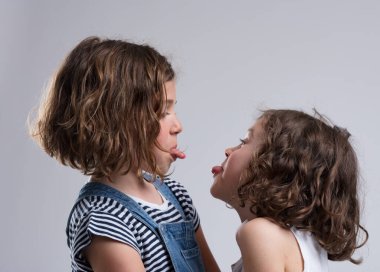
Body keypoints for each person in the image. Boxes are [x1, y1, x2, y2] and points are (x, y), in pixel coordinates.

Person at [31, 36, 219, 272]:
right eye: (162, 112)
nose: (178, 125)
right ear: (117, 121)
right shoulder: (105, 220)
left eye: (173, 108)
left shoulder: (176, 196)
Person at [211, 109, 368, 272]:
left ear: (275, 168)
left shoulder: (260, 233)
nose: (228, 150)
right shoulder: (306, 243)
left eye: (244, 142)